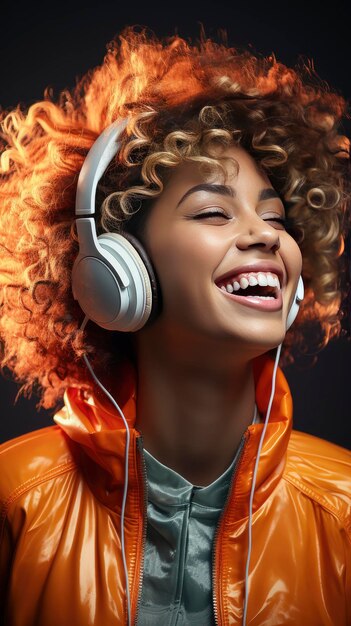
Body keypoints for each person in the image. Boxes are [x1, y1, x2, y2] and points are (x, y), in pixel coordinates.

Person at [0, 26, 350, 626]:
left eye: (275, 216)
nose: (267, 234)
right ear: (114, 274)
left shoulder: (343, 508)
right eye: (213, 211)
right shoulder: (13, 500)